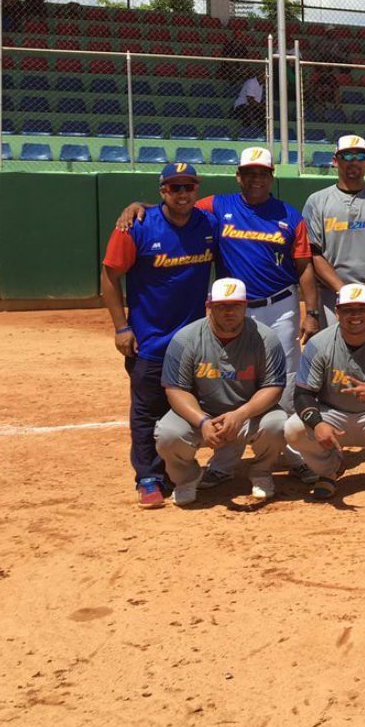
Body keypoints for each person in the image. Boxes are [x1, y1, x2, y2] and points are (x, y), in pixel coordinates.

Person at [116, 146, 322, 483]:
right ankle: (224, 463)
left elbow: (304, 267)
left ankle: (290, 454)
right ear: (239, 176)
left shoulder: (290, 215)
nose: (256, 179)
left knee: (282, 383)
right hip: (232, 312)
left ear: (271, 177)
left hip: (280, 306)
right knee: (230, 382)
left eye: (263, 173)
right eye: (249, 173)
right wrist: (141, 207)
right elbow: (177, 206)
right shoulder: (217, 207)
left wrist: (310, 312)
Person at [100, 162, 217, 508]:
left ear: (196, 190)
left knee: (185, 408)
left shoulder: (208, 221)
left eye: (188, 187)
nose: (182, 194)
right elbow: (109, 277)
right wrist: (121, 327)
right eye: (173, 188)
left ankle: (176, 470)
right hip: (149, 339)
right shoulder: (136, 226)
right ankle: (148, 477)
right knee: (146, 411)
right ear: (162, 191)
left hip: (192, 342)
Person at [155, 277, 288, 506]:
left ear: (245, 306)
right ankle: (186, 478)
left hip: (248, 415)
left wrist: (241, 414)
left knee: (278, 425)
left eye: (235, 305)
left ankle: (261, 472)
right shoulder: (186, 339)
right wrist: (203, 421)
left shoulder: (266, 338)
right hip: (202, 413)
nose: (229, 312)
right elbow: (175, 390)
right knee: (167, 435)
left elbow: (273, 387)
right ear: (209, 307)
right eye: (222, 306)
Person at [284, 283, 365, 501]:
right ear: (337, 312)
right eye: (348, 310)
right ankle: (329, 470)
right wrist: (317, 423)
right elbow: (302, 394)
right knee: (293, 429)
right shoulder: (319, 344)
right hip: (333, 415)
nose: (355, 316)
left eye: (361, 309)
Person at [302, 135, 365, 328]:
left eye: (360, 156)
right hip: (332, 295)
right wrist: (342, 290)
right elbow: (313, 252)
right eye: (347, 156)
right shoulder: (317, 201)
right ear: (334, 161)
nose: (353, 161)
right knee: (332, 353)